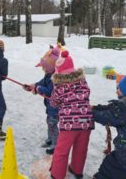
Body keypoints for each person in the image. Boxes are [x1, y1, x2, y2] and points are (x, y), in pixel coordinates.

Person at [50, 50, 95, 179]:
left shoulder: (59, 85)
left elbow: (53, 102)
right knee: (81, 149)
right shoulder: (83, 81)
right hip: (86, 121)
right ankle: (77, 170)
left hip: (69, 124)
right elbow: (87, 93)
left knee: (61, 151)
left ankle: (57, 175)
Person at [23, 45, 60, 155]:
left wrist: (38, 88)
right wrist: (32, 86)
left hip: (55, 107)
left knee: (52, 124)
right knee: (49, 123)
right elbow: (41, 83)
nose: (43, 69)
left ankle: (55, 144)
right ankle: (50, 139)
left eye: (45, 67)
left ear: (51, 66)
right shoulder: (48, 74)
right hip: (50, 107)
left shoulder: (55, 77)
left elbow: (49, 91)